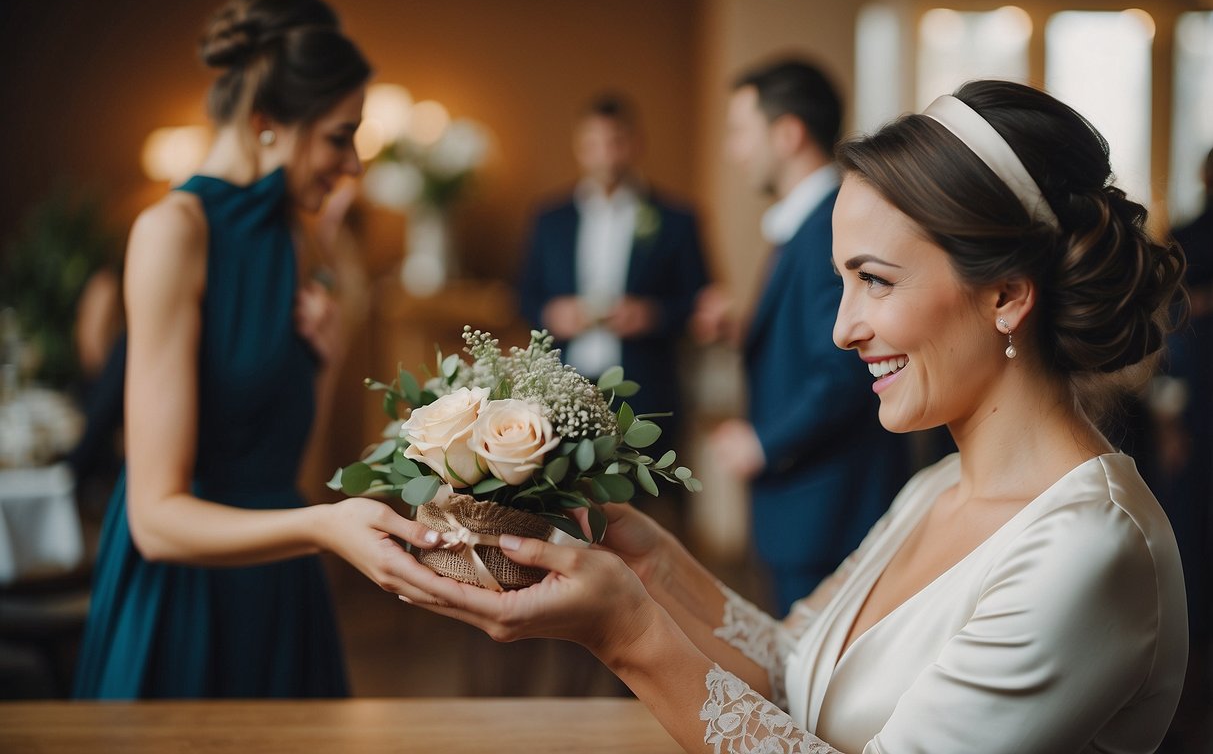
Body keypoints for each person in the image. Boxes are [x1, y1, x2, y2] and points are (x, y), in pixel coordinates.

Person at [370, 79, 1189, 752]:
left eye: (875, 280)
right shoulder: (935, 488)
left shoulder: (1085, 549)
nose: (841, 329)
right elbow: (792, 670)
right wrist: (648, 558)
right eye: (840, 282)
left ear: (1006, 295)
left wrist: (626, 635)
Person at [72, 0, 427, 698]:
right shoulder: (175, 232)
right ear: (267, 122)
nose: (354, 165)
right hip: (187, 599)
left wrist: (323, 363)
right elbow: (155, 520)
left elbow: (285, 466)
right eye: (339, 135)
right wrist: (324, 528)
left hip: (282, 585)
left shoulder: (294, 238)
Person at [709, 59, 908, 614]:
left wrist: (764, 443)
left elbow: (846, 365)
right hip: (809, 499)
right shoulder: (809, 220)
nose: (734, 149)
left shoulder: (828, 223)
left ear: (788, 133)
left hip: (827, 503)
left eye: (741, 131)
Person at [518, 93, 709, 434]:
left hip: (646, 386)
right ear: (578, 148)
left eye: (615, 142)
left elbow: (699, 299)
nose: (605, 155)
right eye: (593, 143)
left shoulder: (676, 219)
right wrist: (551, 313)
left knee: (648, 485)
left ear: (636, 144)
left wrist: (652, 315)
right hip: (562, 384)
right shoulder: (549, 218)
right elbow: (522, 293)